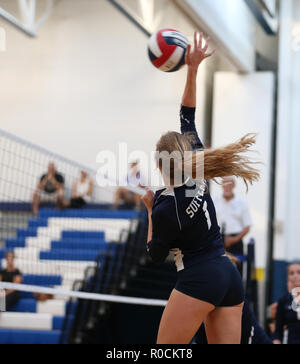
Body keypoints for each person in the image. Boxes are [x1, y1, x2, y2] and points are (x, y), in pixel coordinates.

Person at [141, 32, 260, 344]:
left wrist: (150, 211)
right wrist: (192, 68)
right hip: (228, 274)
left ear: (158, 166)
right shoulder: (200, 171)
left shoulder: (165, 207)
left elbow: (155, 254)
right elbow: (187, 116)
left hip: (199, 277)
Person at [214, 177, 253, 257]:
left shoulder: (241, 203)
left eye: (229, 184)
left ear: (234, 185)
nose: (227, 187)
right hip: (218, 240)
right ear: (221, 186)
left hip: (236, 241)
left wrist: (234, 239)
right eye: (225, 184)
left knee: (237, 267)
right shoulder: (214, 201)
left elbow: (247, 226)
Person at [273, 262, 300, 344]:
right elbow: (278, 331)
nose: (295, 276)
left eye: (299, 272)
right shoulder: (283, 300)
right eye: (291, 273)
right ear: (288, 277)